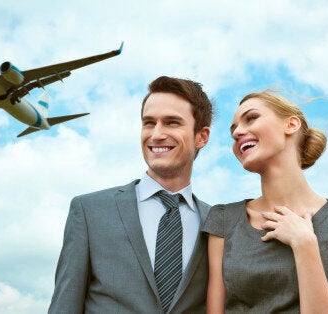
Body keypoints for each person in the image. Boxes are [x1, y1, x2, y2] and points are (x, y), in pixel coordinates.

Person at [202, 90, 328, 313]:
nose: (238, 132)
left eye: (251, 118)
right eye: (233, 130)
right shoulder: (223, 220)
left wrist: (305, 245)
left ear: (291, 125)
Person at [48, 76, 214, 314]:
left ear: (202, 136)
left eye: (172, 123)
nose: (156, 134)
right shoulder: (89, 211)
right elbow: (65, 305)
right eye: (149, 123)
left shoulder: (217, 224)